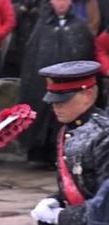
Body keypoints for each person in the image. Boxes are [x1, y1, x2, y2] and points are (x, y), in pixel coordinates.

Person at [30, 60, 109, 225]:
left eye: (63, 100)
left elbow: (105, 203)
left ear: (87, 95)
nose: (55, 107)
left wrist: (63, 216)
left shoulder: (103, 135)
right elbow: (80, 184)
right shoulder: (67, 129)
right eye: (53, 101)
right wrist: (56, 200)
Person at [19, 0, 94, 166]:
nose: (61, 4)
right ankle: (39, 153)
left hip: (69, 85)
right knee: (43, 114)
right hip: (43, 83)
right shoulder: (41, 25)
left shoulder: (79, 26)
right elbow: (33, 56)